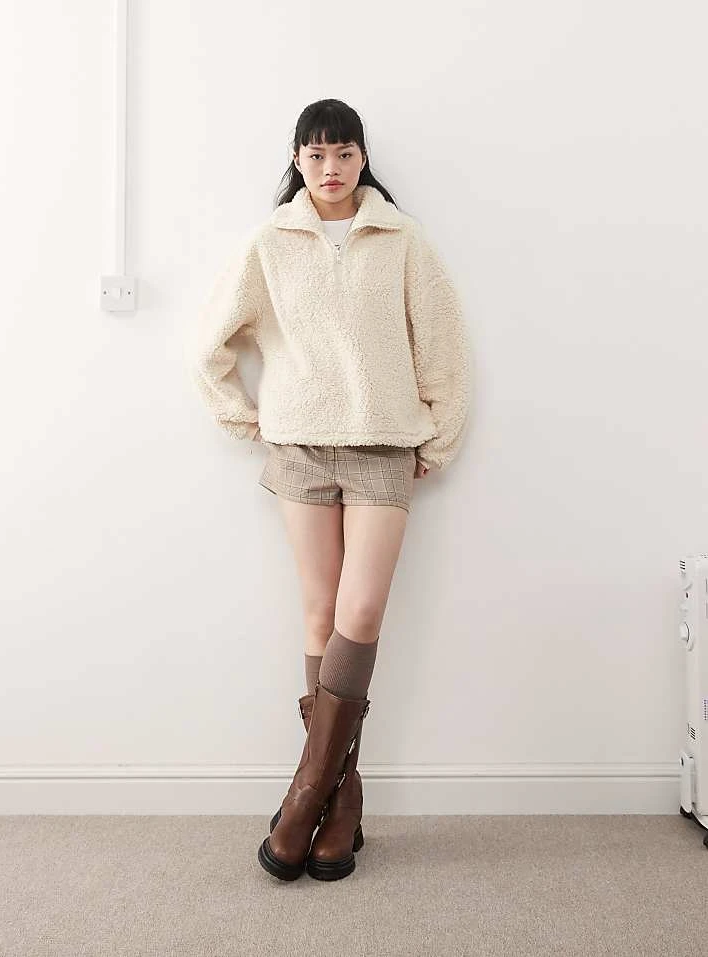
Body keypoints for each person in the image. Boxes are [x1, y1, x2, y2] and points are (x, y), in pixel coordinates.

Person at [191, 98, 472, 882]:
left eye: (344, 152)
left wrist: (438, 438)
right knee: (319, 612)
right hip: (301, 448)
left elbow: (443, 346)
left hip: (383, 445)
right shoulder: (270, 243)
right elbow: (211, 344)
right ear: (298, 160)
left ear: (361, 157)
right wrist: (246, 417)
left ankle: (306, 791)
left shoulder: (403, 239)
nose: (331, 168)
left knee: (362, 612)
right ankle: (342, 798)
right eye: (316, 155)